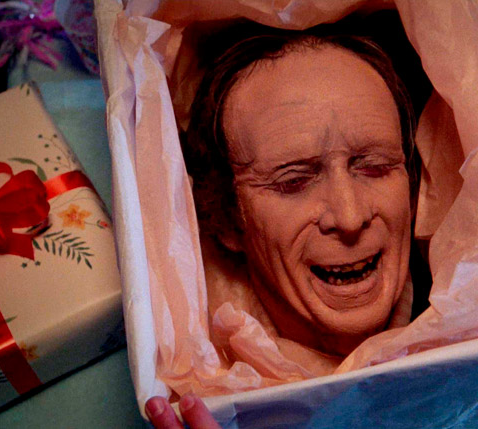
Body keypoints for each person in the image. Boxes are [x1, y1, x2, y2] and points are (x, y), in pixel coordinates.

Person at [146, 21, 428, 427]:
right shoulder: (195, 376)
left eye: (375, 167)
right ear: (226, 219)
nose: (350, 218)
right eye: (293, 182)